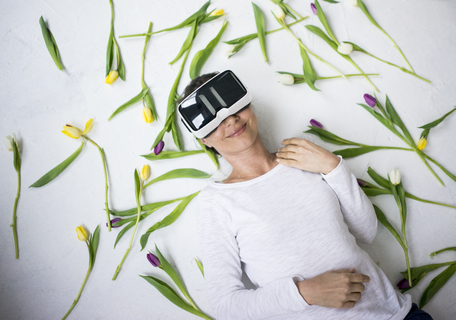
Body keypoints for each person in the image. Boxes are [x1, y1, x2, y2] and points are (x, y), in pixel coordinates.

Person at [178, 71, 433, 320]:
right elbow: (227, 306)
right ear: (204, 140)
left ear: (249, 106)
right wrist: (305, 292)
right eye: (213, 119)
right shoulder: (217, 201)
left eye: (233, 107)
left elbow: (366, 232)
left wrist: (334, 168)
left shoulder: (303, 157)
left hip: (396, 313)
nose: (230, 119)